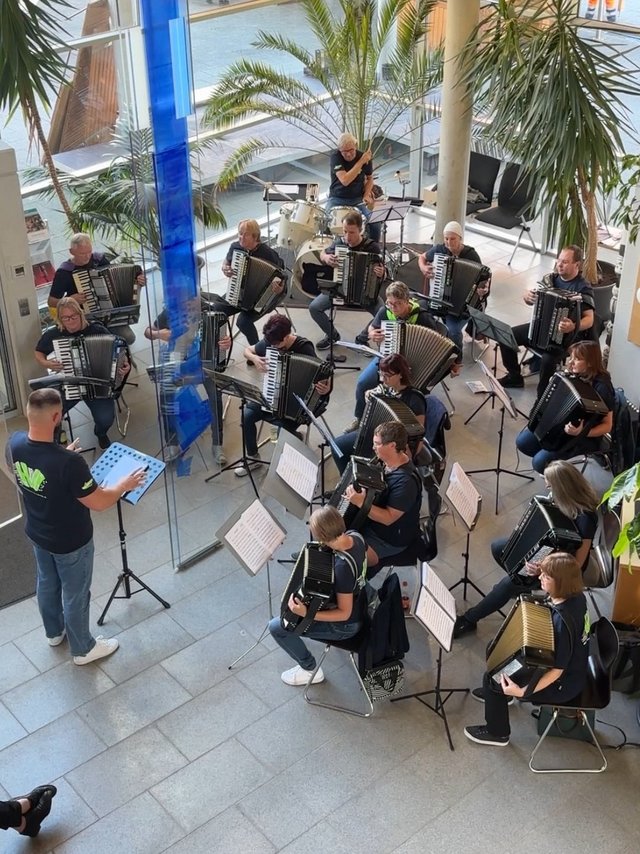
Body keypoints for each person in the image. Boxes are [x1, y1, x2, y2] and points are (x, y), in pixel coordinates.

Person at [6, 389, 146, 664]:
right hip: (71, 541)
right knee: (75, 593)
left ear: (27, 412)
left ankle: (54, 633)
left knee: (46, 583)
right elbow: (99, 502)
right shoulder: (69, 463)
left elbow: (22, 470)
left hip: (37, 533)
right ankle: (83, 649)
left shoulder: (15, 442)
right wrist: (123, 485)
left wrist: (57, 457)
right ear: (57, 416)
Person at [453, 460, 598, 639]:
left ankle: (469, 620)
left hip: (563, 569)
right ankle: (521, 587)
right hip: (552, 551)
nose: (549, 492)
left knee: (507, 584)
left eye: (552, 487)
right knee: (499, 548)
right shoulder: (563, 499)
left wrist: (543, 568)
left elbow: (576, 563)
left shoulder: (586, 518)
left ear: (564, 488)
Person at [464, 551, 590, 747]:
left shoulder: (562, 625)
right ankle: (500, 696)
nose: (540, 577)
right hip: (576, 667)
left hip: (562, 685)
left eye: (546, 576)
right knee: (493, 648)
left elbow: (557, 671)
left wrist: (522, 691)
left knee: (494, 678)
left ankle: (497, 733)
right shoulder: (577, 597)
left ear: (560, 583)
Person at [268, 505, 366, 686]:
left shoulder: (342, 569)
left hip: (346, 625)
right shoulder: (355, 536)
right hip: (363, 602)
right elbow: (370, 560)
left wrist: (307, 613)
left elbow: (344, 612)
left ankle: (309, 669)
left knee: (277, 627)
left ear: (322, 537)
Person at [343, 280, 452, 433]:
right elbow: (372, 327)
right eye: (390, 303)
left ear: (407, 301)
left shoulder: (422, 317)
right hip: (387, 359)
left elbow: (440, 344)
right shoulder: (385, 311)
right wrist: (372, 333)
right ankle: (360, 418)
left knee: (410, 395)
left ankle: (405, 427)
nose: (393, 308)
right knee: (363, 383)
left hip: (414, 365)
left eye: (397, 304)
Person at [235, 314, 332, 477]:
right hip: (272, 395)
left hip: (295, 406)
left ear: (287, 337)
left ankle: (292, 446)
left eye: (277, 345)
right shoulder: (270, 340)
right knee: (247, 415)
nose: (273, 347)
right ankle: (253, 458)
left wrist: (325, 388)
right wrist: (255, 359)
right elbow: (247, 350)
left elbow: (323, 375)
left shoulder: (305, 348)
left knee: (281, 431)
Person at [497, 245, 595, 396]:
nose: (560, 265)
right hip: (541, 328)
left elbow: (590, 319)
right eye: (559, 260)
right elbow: (534, 299)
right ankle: (514, 376)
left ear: (577, 264)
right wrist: (528, 297)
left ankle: (542, 399)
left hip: (565, 337)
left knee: (548, 361)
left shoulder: (582, 287)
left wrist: (573, 326)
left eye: (565, 262)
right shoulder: (550, 279)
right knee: (506, 336)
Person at [34, 297, 130, 449]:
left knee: (105, 418)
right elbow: (38, 352)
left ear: (81, 314)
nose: (70, 321)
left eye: (73, 316)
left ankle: (100, 433)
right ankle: (56, 444)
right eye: (65, 318)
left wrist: (125, 365)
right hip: (69, 385)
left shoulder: (97, 330)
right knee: (50, 412)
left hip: (97, 386)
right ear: (60, 319)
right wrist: (46, 363)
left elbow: (117, 351)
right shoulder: (54, 334)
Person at [144, 300, 232, 464]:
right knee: (165, 395)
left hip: (203, 361)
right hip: (177, 360)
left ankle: (217, 443)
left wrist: (225, 343)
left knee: (215, 396)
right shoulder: (170, 311)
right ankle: (173, 444)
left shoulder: (211, 309)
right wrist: (159, 334)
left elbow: (224, 340)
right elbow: (148, 331)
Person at [515, 340, 615, 473]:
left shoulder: (603, 387)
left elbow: (607, 425)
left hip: (584, 436)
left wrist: (581, 432)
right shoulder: (574, 373)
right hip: (560, 427)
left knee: (539, 462)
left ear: (590, 362)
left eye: (577, 359)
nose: (570, 362)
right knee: (523, 443)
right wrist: (554, 385)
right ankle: (551, 463)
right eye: (571, 357)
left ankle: (555, 474)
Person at [344, 421, 422, 571]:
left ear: (392, 445)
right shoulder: (389, 460)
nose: (373, 447)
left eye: (377, 444)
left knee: (346, 558)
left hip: (388, 538)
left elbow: (388, 518)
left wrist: (361, 503)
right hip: (373, 525)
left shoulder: (406, 483)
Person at [333, 353, 426, 474]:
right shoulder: (387, 387)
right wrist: (368, 394)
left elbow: (417, 435)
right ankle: (346, 480)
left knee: (368, 468)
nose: (382, 379)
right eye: (381, 374)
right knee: (338, 446)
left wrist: (401, 458)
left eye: (387, 375)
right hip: (375, 433)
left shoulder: (415, 400)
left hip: (394, 446)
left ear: (401, 374)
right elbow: (372, 393)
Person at [47, 233, 145, 345]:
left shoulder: (99, 260)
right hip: (84, 318)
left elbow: (115, 280)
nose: (87, 256)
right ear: (71, 252)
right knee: (104, 342)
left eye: (89, 251)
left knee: (129, 338)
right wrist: (70, 299)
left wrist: (138, 281)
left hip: (109, 312)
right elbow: (51, 301)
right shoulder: (64, 272)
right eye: (82, 253)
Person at [309, 210, 385, 349]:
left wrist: (381, 273)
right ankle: (332, 336)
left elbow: (383, 273)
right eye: (345, 231)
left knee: (384, 312)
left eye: (352, 232)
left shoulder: (372, 247)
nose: (347, 236)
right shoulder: (340, 243)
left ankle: (362, 339)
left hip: (364, 292)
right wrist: (326, 258)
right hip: (340, 289)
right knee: (314, 307)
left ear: (360, 230)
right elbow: (323, 253)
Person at [417, 220, 491, 356]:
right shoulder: (439, 250)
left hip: (461, 307)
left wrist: (482, 290)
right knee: (417, 311)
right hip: (439, 299)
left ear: (460, 239)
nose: (449, 242)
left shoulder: (471, 255)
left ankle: (456, 357)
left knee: (453, 330)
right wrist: (423, 267)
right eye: (446, 238)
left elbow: (484, 280)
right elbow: (422, 257)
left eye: (452, 239)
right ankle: (426, 346)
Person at [218, 219, 286, 348]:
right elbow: (226, 262)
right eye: (240, 233)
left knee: (243, 322)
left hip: (262, 300)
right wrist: (225, 268)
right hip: (237, 292)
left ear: (255, 237)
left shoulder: (267, 253)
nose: (241, 237)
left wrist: (279, 288)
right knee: (216, 310)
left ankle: (257, 350)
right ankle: (219, 349)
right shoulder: (235, 247)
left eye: (245, 234)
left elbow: (282, 274)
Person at [326, 132, 381, 241]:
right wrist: (361, 162)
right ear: (339, 150)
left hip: (357, 199)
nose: (348, 154)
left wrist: (366, 195)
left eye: (351, 150)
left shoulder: (364, 157)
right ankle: (328, 251)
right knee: (325, 222)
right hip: (337, 198)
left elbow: (370, 178)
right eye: (344, 151)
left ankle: (373, 249)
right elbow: (345, 180)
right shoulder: (335, 157)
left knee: (375, 223)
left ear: (355, 146)